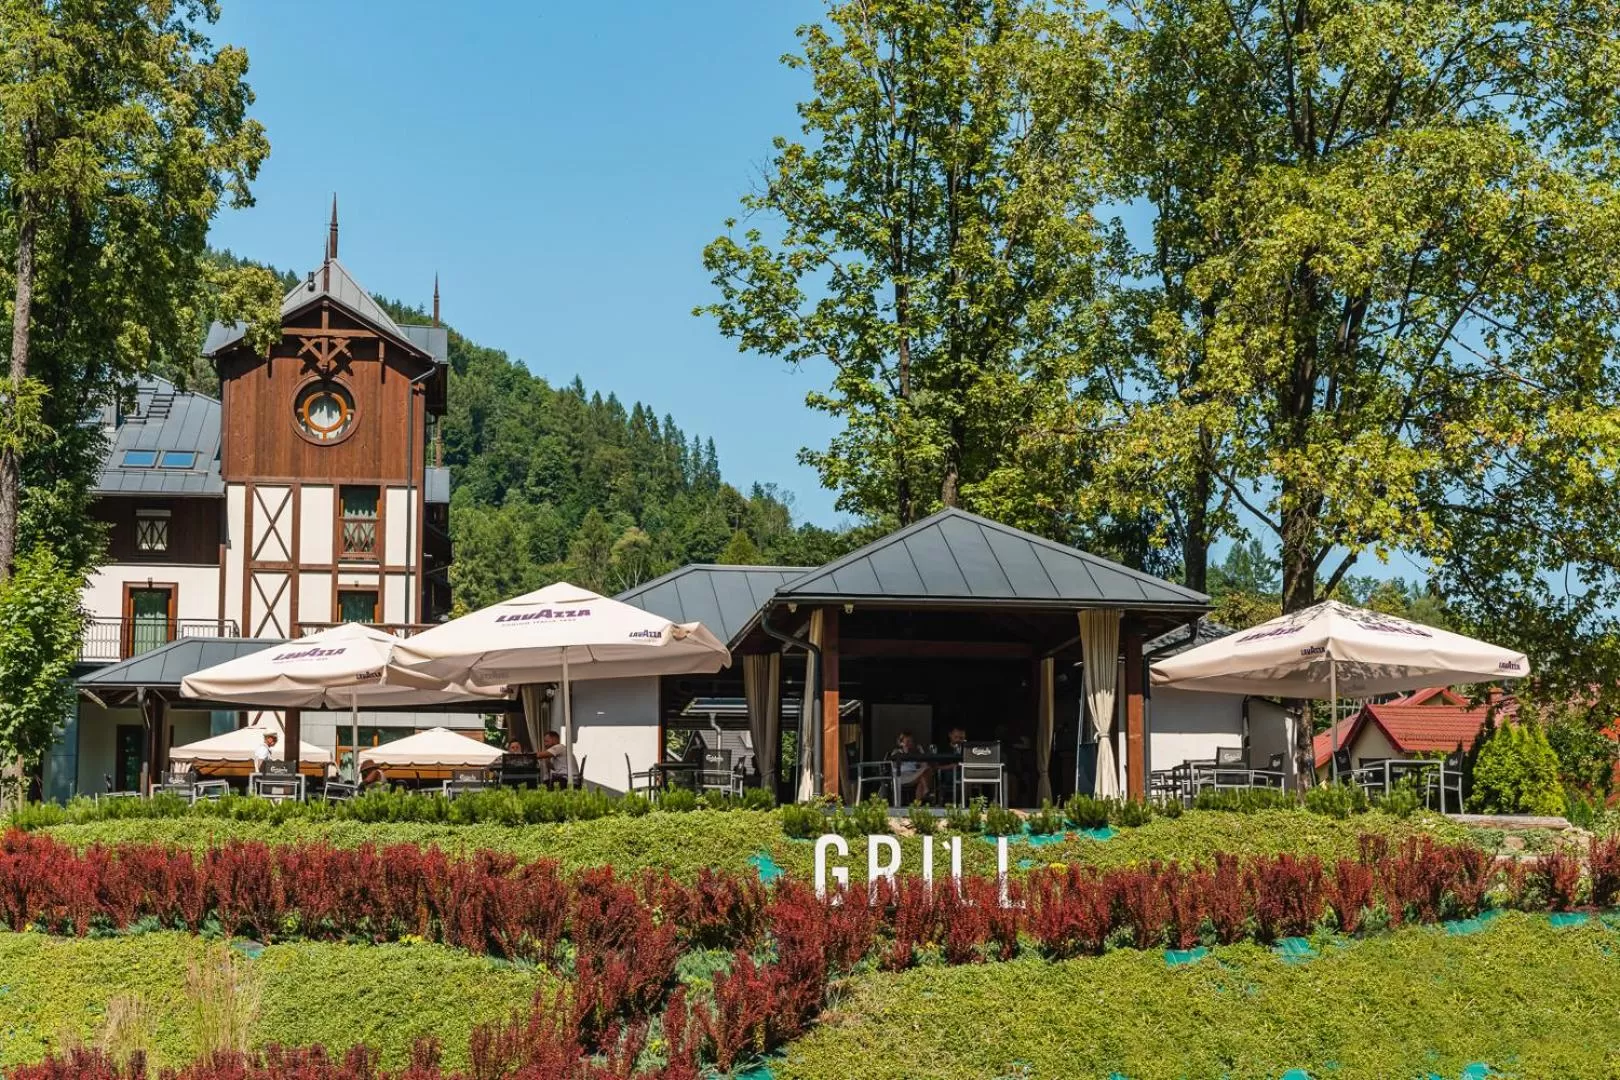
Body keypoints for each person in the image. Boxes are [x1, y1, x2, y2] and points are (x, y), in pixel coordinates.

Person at [889, 731, 934, 802]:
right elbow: (895, 764)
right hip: (901, 776)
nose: (910, 743)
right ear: (901, 742)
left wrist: (921, 751)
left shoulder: (914, 754)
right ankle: (926, 791)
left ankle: (917, 804)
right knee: (925, 774)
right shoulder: (896, 752)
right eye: (907, 741)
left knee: (924, 776)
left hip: (913, 775)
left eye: (911, 741)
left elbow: (925, 765)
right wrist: (904, 750)